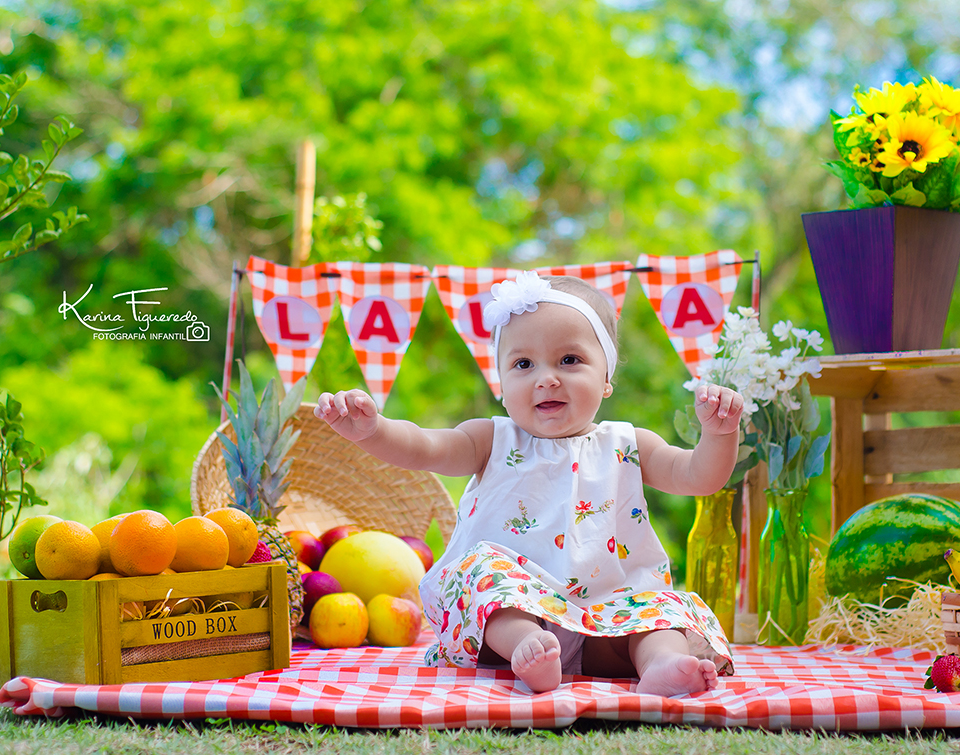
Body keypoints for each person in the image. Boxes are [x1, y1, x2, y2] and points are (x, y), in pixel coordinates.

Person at [315, 271, 744, 696]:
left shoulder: (629, 443)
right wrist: (373, 431)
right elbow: (424, 447)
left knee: (663, 609)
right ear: (502, 385)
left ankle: (660, 663)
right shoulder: (490, 439)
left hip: (608, 624)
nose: (547, 378)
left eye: (569, 360)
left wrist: (719, 434)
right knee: (480, 574)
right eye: (523, 364)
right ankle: (529, 649)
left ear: (607, 377)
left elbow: (699, 477)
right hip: (504, 623)